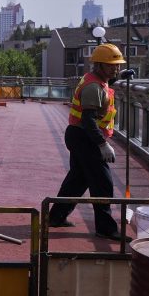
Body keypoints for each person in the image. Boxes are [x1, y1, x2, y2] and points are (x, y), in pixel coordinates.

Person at [48, 43, 126, 238]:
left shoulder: (97, 80)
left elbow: (105, 92)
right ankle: (106, 229)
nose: (115, 68)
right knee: (103, 183)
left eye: (118, 65)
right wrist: (102, 144)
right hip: (85, 137)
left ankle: (56, 217)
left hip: (78, 135)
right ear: (99, 65)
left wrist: (119, 78)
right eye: (111, 65)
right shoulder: (93, 87)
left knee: (77, 180)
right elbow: (88, 120)